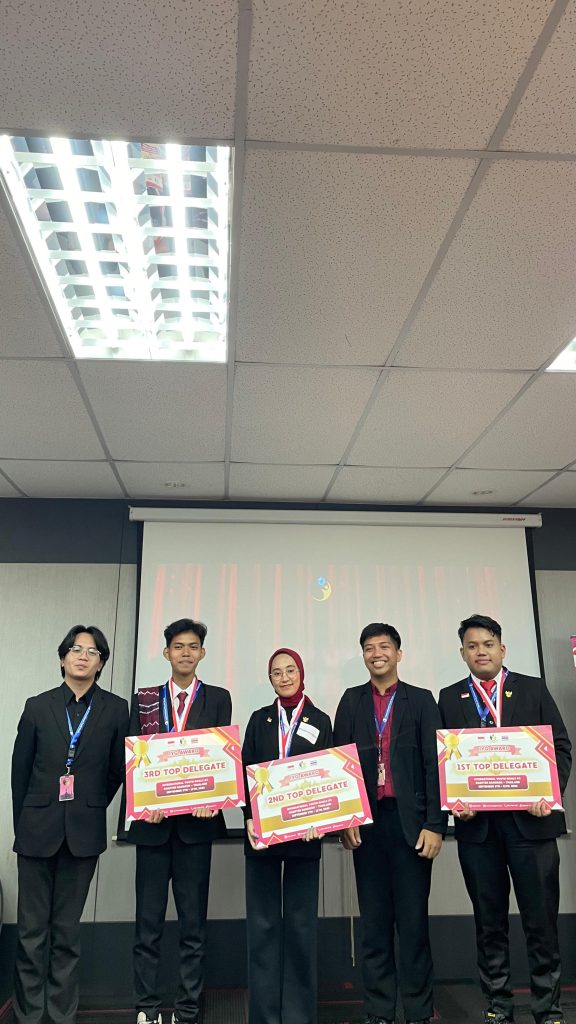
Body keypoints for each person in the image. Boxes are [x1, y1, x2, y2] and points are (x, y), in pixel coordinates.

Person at [438, 614, 572, 1024]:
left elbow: (561, 747)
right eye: (472, 646)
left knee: (541, 922)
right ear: (462, 653)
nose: (481, 651)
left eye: (488, 644)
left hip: (531, 827)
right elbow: (443, 761)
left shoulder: (532, 688)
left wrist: (549, 793)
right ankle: (498, 1006)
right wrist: (454, 802)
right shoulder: (450, 697)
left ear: (502, 649)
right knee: (489, 922)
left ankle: (548, 1009)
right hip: (478, 831)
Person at [11, 624, 129, 1024]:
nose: (83, 656)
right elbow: (20, 773)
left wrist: (91, 805)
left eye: (92, 652)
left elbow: (117, 771)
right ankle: (29, 1015)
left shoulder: (116, 709)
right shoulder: (37, 706)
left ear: (101, 663)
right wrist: (25, 822)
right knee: (31, 932)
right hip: (36, 831)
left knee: (66, 931)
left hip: (83, 833)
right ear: (63, 658)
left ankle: (62, 1015)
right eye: (76, 649)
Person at [333, 622, 445, 1024]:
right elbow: (339, 764)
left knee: (413, 924)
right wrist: (344, 820)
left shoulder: (421, 700)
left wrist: (436, 824)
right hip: (367, 827)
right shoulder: (351, 701)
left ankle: (418, 1010)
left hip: (411, 826)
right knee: (375, 925)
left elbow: (435, 765)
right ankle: (379, 1010)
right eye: (369, 647)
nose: (376, 653)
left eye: (384, 646)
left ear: (399, 654)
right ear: (363, 656)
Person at [123, 618, 232, 1024]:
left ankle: (187, 1011)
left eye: (193, 646)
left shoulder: (218, 698)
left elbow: (221, 758)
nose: (186, 653)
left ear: (202, 653)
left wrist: (214, 800)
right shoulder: (145, 700)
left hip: (195, 829)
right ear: (166, 652)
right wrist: (142, 802)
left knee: (192, 926)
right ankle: (146, 1008)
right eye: (178, 646)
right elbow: (132, 759)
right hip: (152, 827)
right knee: (147, 926)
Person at [242, 647, 333, 1024]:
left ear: (301, 673)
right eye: (276, 672)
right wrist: (249, 817)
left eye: (290, 670)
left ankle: (298, 1016)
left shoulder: (320, 720)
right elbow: (244, 770)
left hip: (305, 838)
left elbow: (329, 774)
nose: (284, 677)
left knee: (300, 927)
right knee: (262, 927)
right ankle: (264, 1016)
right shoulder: (259, 719)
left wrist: (322, 819)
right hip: (262, 836)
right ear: (270, 679)